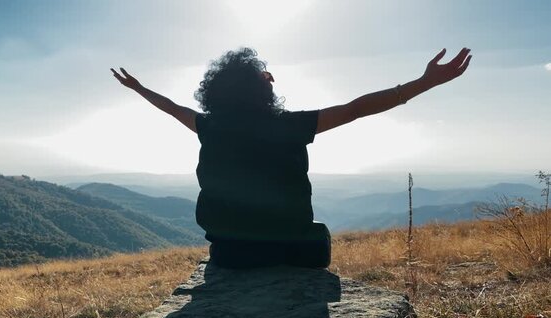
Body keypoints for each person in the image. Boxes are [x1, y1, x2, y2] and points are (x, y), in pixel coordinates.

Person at [111, 47, 471, 269]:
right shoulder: (290, 126)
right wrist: (424, 83)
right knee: (320, 238)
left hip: (229, 255)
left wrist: (139, 88)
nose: (272, 80)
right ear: (259, 89)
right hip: (293, 250)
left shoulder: (209, 126)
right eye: (266, 77)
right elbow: (355, 109)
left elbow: (173, 108)